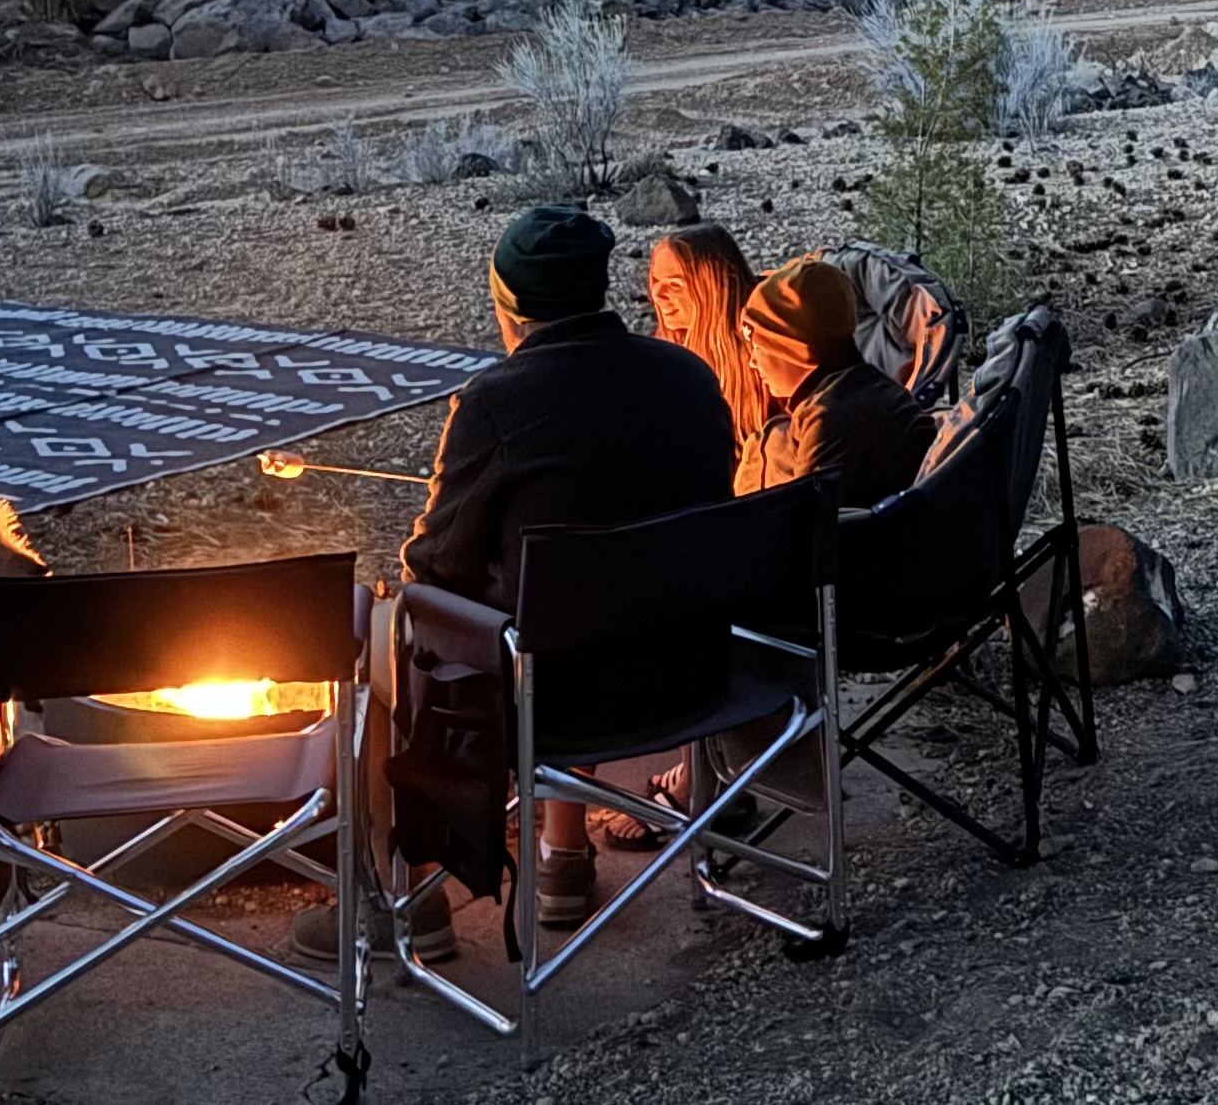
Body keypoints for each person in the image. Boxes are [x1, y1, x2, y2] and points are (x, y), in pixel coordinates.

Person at [309, 203, 730, 960]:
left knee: (381, 629)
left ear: (510, 308)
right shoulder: (690, 378)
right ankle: (562, 856)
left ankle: (410, 898)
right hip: (696, 674)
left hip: (557, 691)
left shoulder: (496, 401)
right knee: (589, 604)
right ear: (601, 290)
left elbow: (434, 565)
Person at [733, 255, 936, 509]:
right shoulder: (868, 384)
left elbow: (811, 524)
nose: (753, 362)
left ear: (792, 349)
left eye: (759, 348)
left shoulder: (829, 415)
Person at [645, 223, 771, 446]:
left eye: (675, 285)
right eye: (656, 281)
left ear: (717, 287)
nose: (657, 295)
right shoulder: (662, 356)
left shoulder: (763, 353)